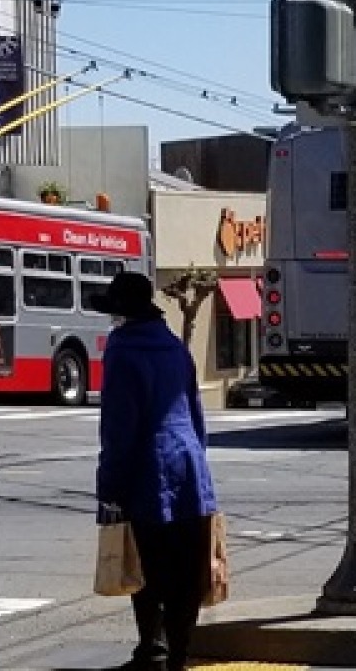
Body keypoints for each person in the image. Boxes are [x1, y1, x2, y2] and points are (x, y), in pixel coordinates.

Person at [91, 272, 217, 671]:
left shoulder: (122, 348)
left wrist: (109, 485)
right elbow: (196, 417)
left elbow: (119, 425)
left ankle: (153, 648)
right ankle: (177, 656)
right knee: (185, 573)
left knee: (145, 566)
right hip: (191, 470)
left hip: (148, 470)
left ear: (121, 313)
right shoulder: (176, 347)